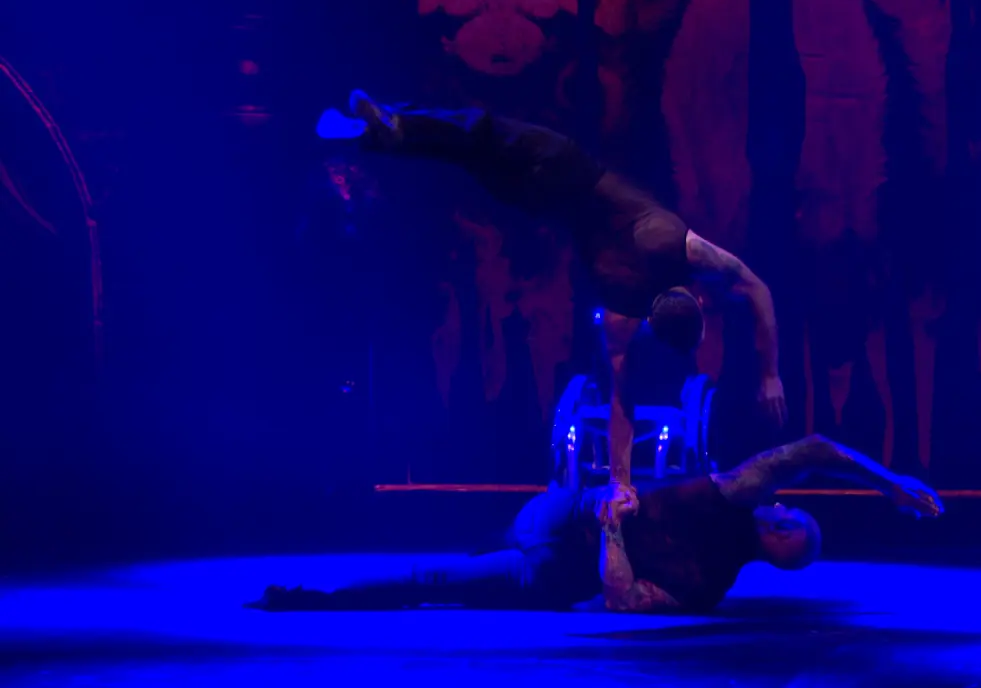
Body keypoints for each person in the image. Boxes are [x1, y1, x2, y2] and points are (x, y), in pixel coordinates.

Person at [319, 93, 786, 514]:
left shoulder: (678, 246)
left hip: (562, 165)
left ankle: (392, 127)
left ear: (695, 295)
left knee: (478, 131)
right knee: (467, 155)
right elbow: (621, 402)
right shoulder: (623, 312)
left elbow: (757, 287)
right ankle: (379, 134)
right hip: (540, 201)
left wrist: (771, 374)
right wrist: (621, 481)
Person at [246, 434, 943, 614]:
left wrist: (612, 530)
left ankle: (305, 598)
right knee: (447, 574)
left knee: (441, 579)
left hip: (557, 561)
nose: (782, 503)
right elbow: (813, 450)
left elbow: (621, 596)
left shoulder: (711, 569)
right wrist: (890, 481)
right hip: (560, 518)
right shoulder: (725, 525)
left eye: (789, 513)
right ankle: (305, 597)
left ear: (782, 537)